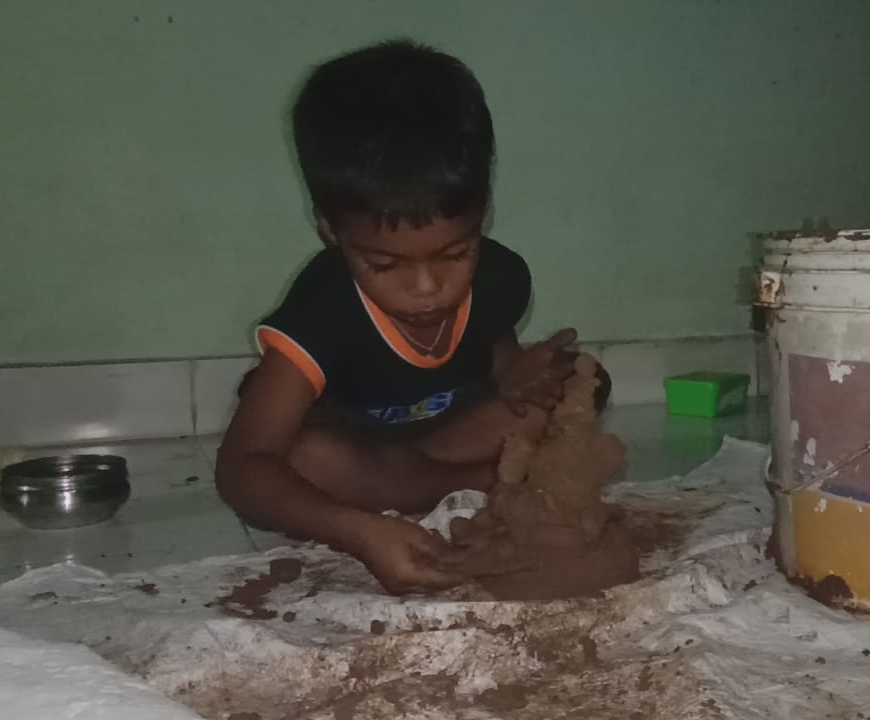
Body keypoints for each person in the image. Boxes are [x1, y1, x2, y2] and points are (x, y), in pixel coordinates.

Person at [215, 39, 609, 595]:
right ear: (330, 230)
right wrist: (357, 532)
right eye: (384, 264)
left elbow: (490, 341)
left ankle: (443, 478)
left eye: (455, 254)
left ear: (483, 210)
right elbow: (241, 467)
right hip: (358, 444)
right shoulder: (321, 312)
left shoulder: (502, 276)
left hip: (442, 434)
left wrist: (513, 373)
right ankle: (480, 478)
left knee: (579, 380)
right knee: (310, 460)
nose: (427, 290)